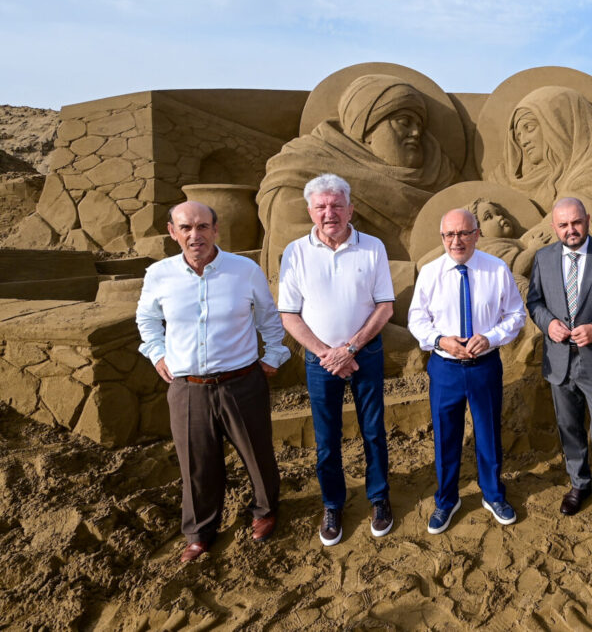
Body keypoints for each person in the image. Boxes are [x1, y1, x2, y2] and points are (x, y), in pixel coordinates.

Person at [136, 201, 290, 562]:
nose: (195, 235)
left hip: (242, 381)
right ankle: (200, 532)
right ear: (173, 233)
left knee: (258, 453)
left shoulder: (244, 270)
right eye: (186, 228)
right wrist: (157, 353)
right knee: (196, 463)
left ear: (215, 230)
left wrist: (273, 355)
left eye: (203, 227)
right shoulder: (159, 274)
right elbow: (146, 319)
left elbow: (269, 317)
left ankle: (265, 511)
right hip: (188, 387)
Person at [277, 174, 395, 546]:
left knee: (373, 431)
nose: (330, 213)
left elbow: (385, 307)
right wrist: (326, 353)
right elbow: (290, 315)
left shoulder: (373, 246)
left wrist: (352, 348)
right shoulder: (295, 252)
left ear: (350, 208)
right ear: (310, 210)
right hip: (320, 361)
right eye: (321, 206)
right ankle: (332, 504)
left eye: (336, 205)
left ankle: (379, 498)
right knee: (327, 439)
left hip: (366, 354)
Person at [257, 73, 458, 278]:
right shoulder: (302, 179)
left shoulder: (439, 176)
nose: (416, 133)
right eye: (404, 121)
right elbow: (319, 270)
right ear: (366, 128)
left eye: (420, 126)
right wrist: (424, 272)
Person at [408, 208, 526, 534]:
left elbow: (515, 315)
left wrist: (491, 337)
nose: (456, 241)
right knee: (446, 437)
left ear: (476, 234)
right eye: (449, 235)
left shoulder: (497, 270)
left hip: (485, 366)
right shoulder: (431, 273)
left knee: (488, 433)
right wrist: (440, 340)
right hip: (445, 368)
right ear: (442, 237)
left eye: (463, 233)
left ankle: (492, 494)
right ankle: (447, 500)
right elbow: (417, 321)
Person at [525, 197, 592, 530]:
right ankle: (580, 484)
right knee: (570, 428)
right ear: (554, 227)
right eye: (563, 225)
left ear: (587, 219)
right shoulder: (543, 258)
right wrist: (548, 323)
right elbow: (535, 301)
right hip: (559, 362)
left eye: (576, 222)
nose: (570, 230)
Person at [494, 86, 592, 260]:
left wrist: (518, 249)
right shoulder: (558, 174)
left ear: (559, 122)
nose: (523, 141)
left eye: (529, 128)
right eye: (518, 136)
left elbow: (569, 221)